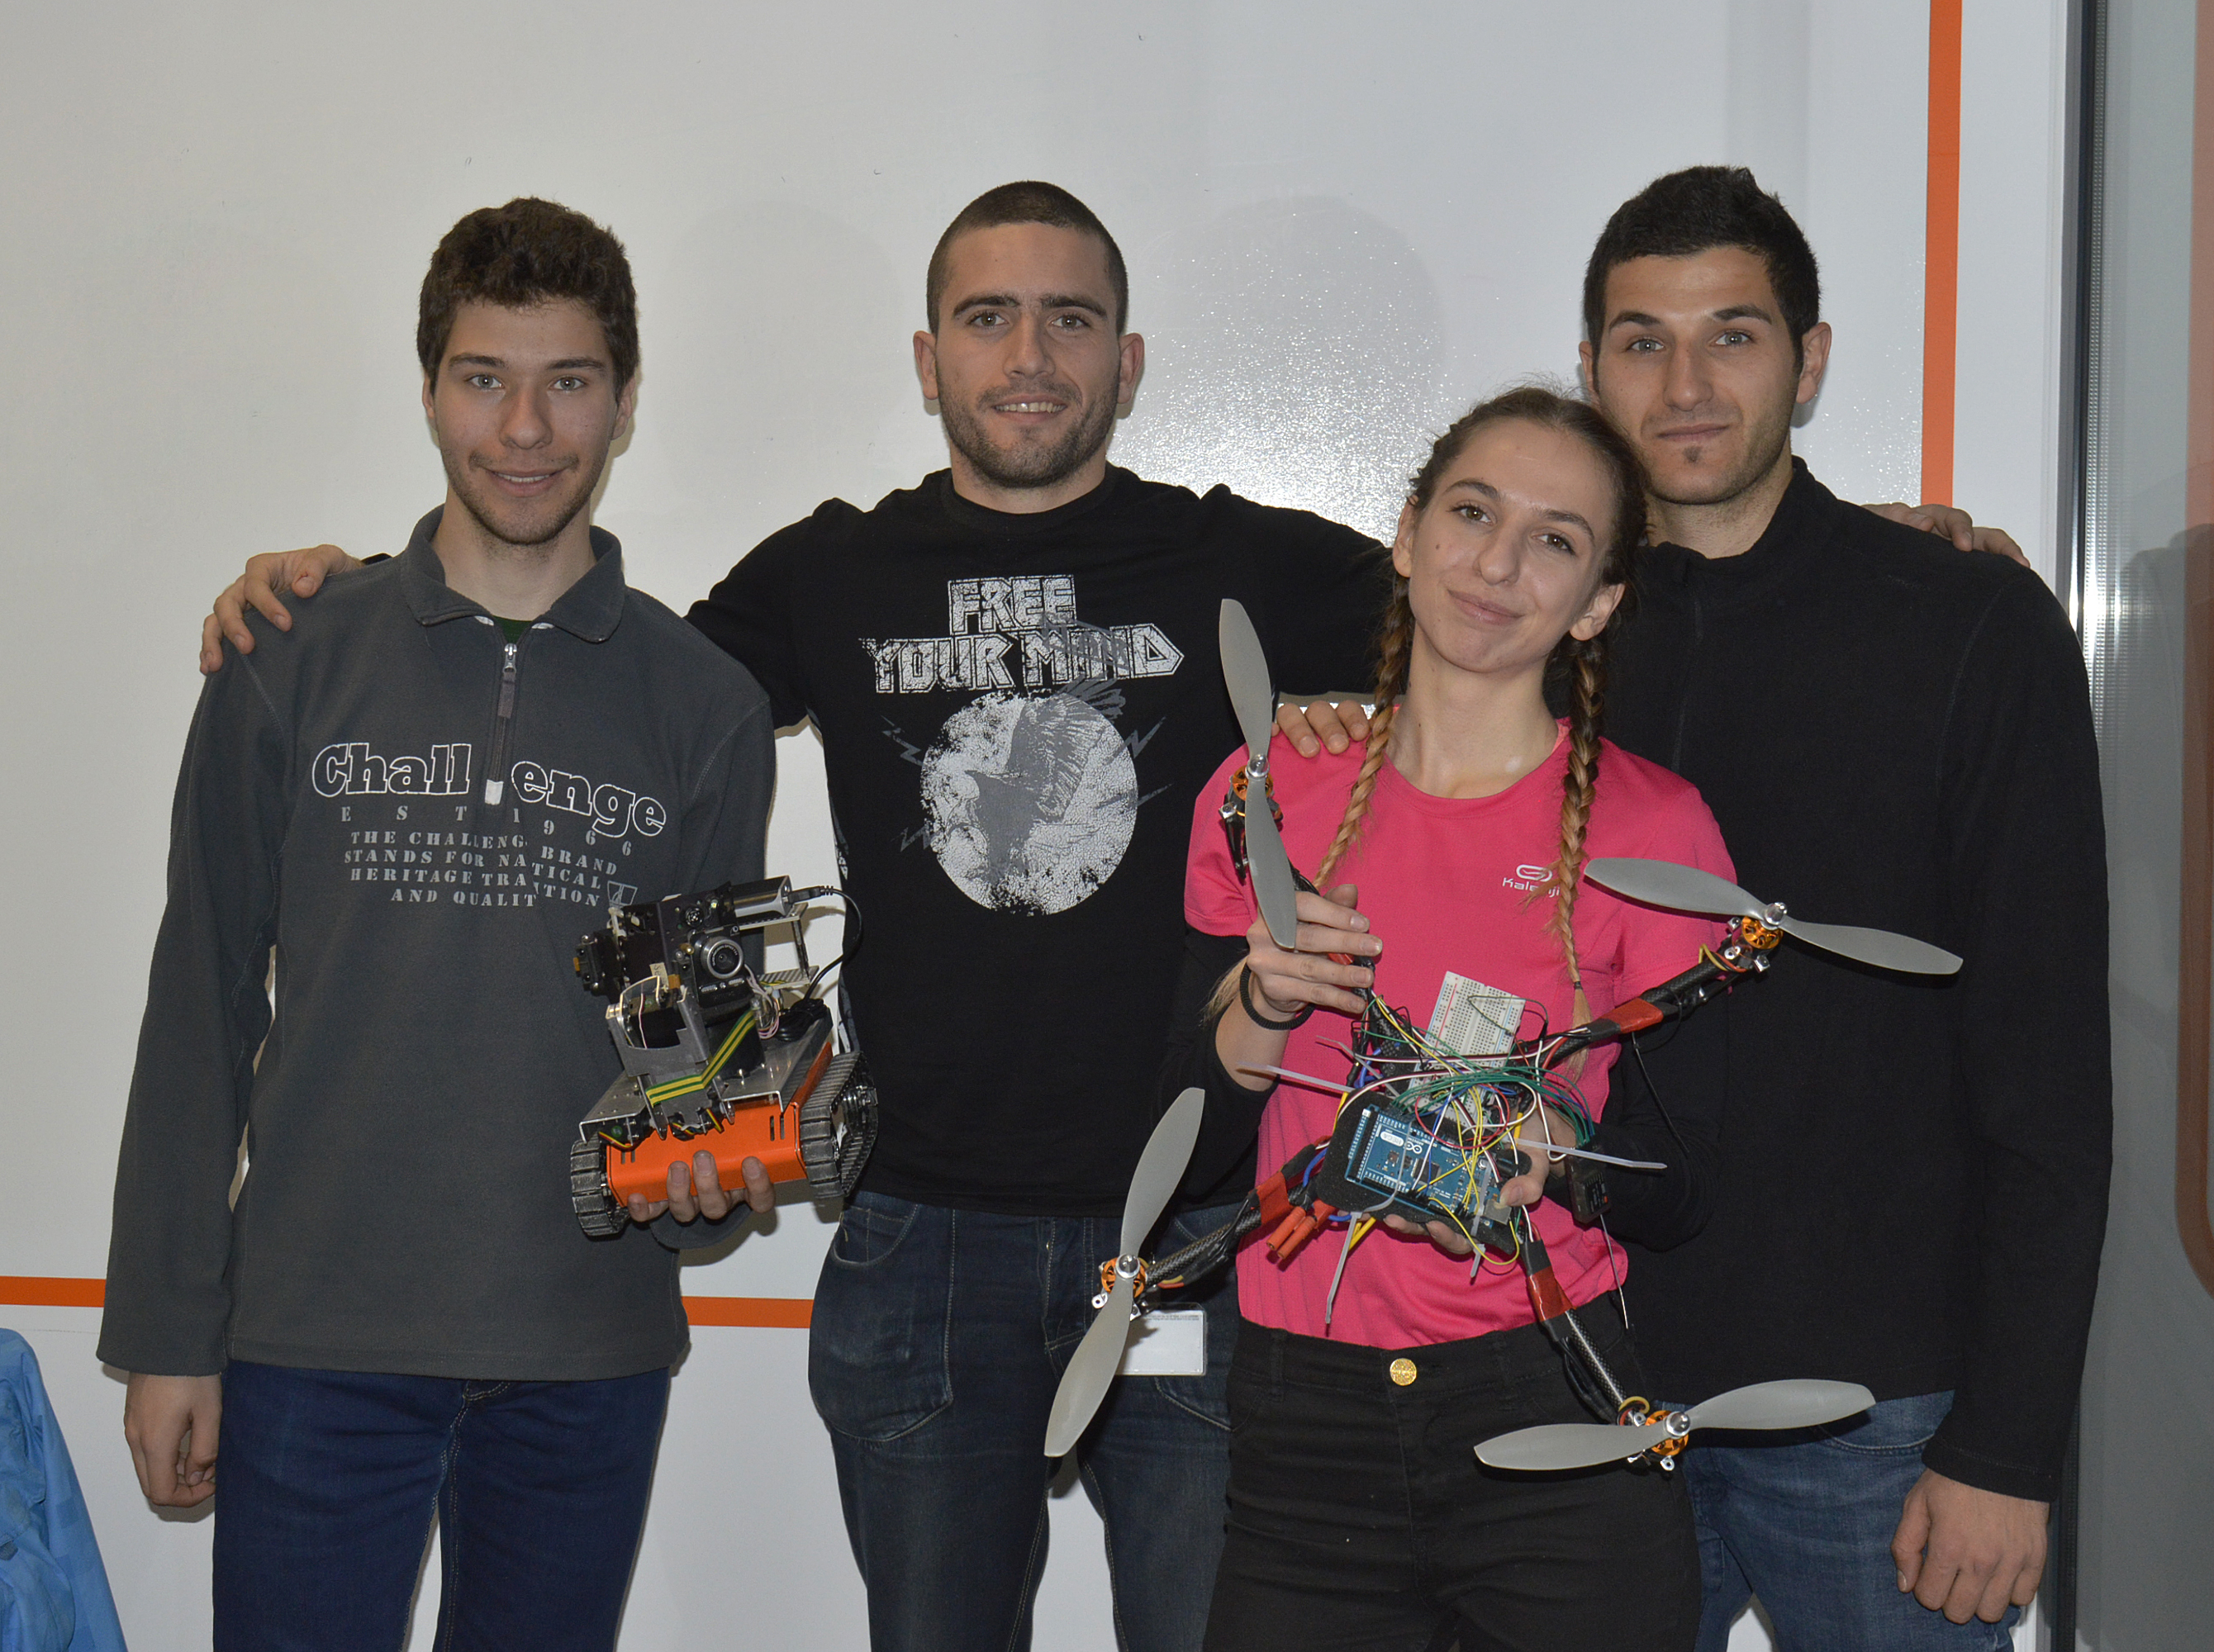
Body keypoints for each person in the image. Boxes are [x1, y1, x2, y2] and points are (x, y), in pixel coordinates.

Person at [192, 178, 2019, 1651]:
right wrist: (355, 589)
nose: (1029, 354)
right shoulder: (832, 570)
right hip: (922, 1247)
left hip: (1205, 1249)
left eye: (1070, 318)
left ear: (1129, 360)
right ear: (927, 358)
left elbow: (1540, 579)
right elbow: (605, 670)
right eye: (987, 317)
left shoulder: (1251, 560)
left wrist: (1865, 547)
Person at [1285, 167, 2111, 1650]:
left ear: (1811, 359)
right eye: (1641, 341)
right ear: (1591, 363)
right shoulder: (1528, 620)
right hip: (1564, 1387)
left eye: (1733, 335)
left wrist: (2007, 1443)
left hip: (1872, 1408)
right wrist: (1332, 714)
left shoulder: (1964, 626)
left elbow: (2048, 1064)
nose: (1684, 385)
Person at [98, 198, 778, 1649]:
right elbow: (198, 1003)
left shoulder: (704, 706)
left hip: (585, 1360)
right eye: (484, 378)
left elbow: (703, 1078)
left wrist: (717, 1175)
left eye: (569, 381)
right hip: (310, 1347)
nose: (525, 428)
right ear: (427, 392)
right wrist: (165, 1334)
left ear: (625, 401)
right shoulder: (288, 656)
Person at [1171, 387, 1734, 1651]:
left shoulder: (1653, 830)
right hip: (1301, 1424)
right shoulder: (1269, 792)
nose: (1497, 563)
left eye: (1555, 539)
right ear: (1410, 531)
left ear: (1596, 602)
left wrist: (1558, 1158)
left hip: (1554, 1412)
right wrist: (1260, 1002)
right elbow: (1184, 1146)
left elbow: (1686, 1183)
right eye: (1473, 513)